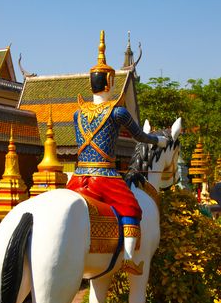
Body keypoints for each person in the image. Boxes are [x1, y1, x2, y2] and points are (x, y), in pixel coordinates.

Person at [67, 30, 167, 275]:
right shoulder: (117, 112)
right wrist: (159, 142)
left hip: (78, 177)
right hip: (104, 178)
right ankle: (130, 259)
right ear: (110, 82)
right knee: (131, 207)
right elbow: (140, 137)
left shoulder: (77, 114)